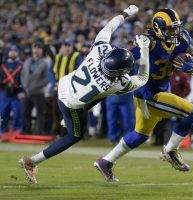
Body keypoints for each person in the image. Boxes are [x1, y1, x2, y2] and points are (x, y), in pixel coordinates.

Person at [19, 5, 150, 184]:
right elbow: (142, 77)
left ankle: (68, 119)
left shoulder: (99, 51)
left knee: (99, 96)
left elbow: (109, 27)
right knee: (75, 135)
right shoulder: (116, 83)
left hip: (65, 86)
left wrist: (126, 13)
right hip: (71, 103)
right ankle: (32, 161)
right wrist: (144, 50)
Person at [95, 8, 193, 182]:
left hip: (159, 91)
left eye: (176, 28)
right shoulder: (149, 42)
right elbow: (124, 58)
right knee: (192, 113)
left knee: (140, 135)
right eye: (170, 29)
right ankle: (170, 151)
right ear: (159, 28)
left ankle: (106, 161)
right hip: (148, 94)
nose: (174, 32)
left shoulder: (182, 39)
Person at [50, 39, 83, 136]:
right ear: (62, 47)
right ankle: (58, 132)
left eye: (69, 46)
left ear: (72, 47)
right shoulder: (57, 57)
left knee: (66, 112)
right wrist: (53, 82)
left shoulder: (76, 56)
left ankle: (67, 133)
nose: (67, 48)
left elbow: (79, 71)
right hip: (57, 89)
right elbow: (51, 72)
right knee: (55, 111)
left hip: (69, 90)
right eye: (65, 46)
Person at [20, 42, 50, 134]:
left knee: (40, 113)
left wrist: (35, 87)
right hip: (27, 91)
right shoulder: (27, 61)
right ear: (32, 49)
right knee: (25, 112)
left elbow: (46, 79)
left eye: (38, 48)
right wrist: (25, 87)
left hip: (38, 92)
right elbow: (22, 75)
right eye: (35, 48)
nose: (36, 50)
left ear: (41, 50)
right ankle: (26, 130)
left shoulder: (45, 63)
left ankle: (39, 131)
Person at [0, 45, 23, 138]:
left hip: (17, 93)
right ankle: (3, 131)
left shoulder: (21, 65)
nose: (13, 52)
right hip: (4, 92)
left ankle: (17, 131)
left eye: (15, 51)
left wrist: (22, 90)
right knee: (3, 112)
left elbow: (23, 78)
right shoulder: (3, 65)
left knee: (17, 112)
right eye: (11, 50)